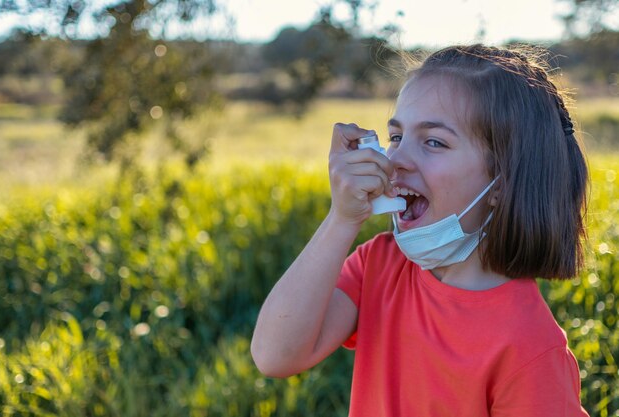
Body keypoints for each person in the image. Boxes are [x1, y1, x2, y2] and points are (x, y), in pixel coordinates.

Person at [250, 44, 590, 416]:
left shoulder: (530, 347)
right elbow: (274, 355)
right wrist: (341, 219)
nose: (395, 161)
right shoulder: (377, 266)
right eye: (396, 137)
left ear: (502, 182)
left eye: (433, 142)